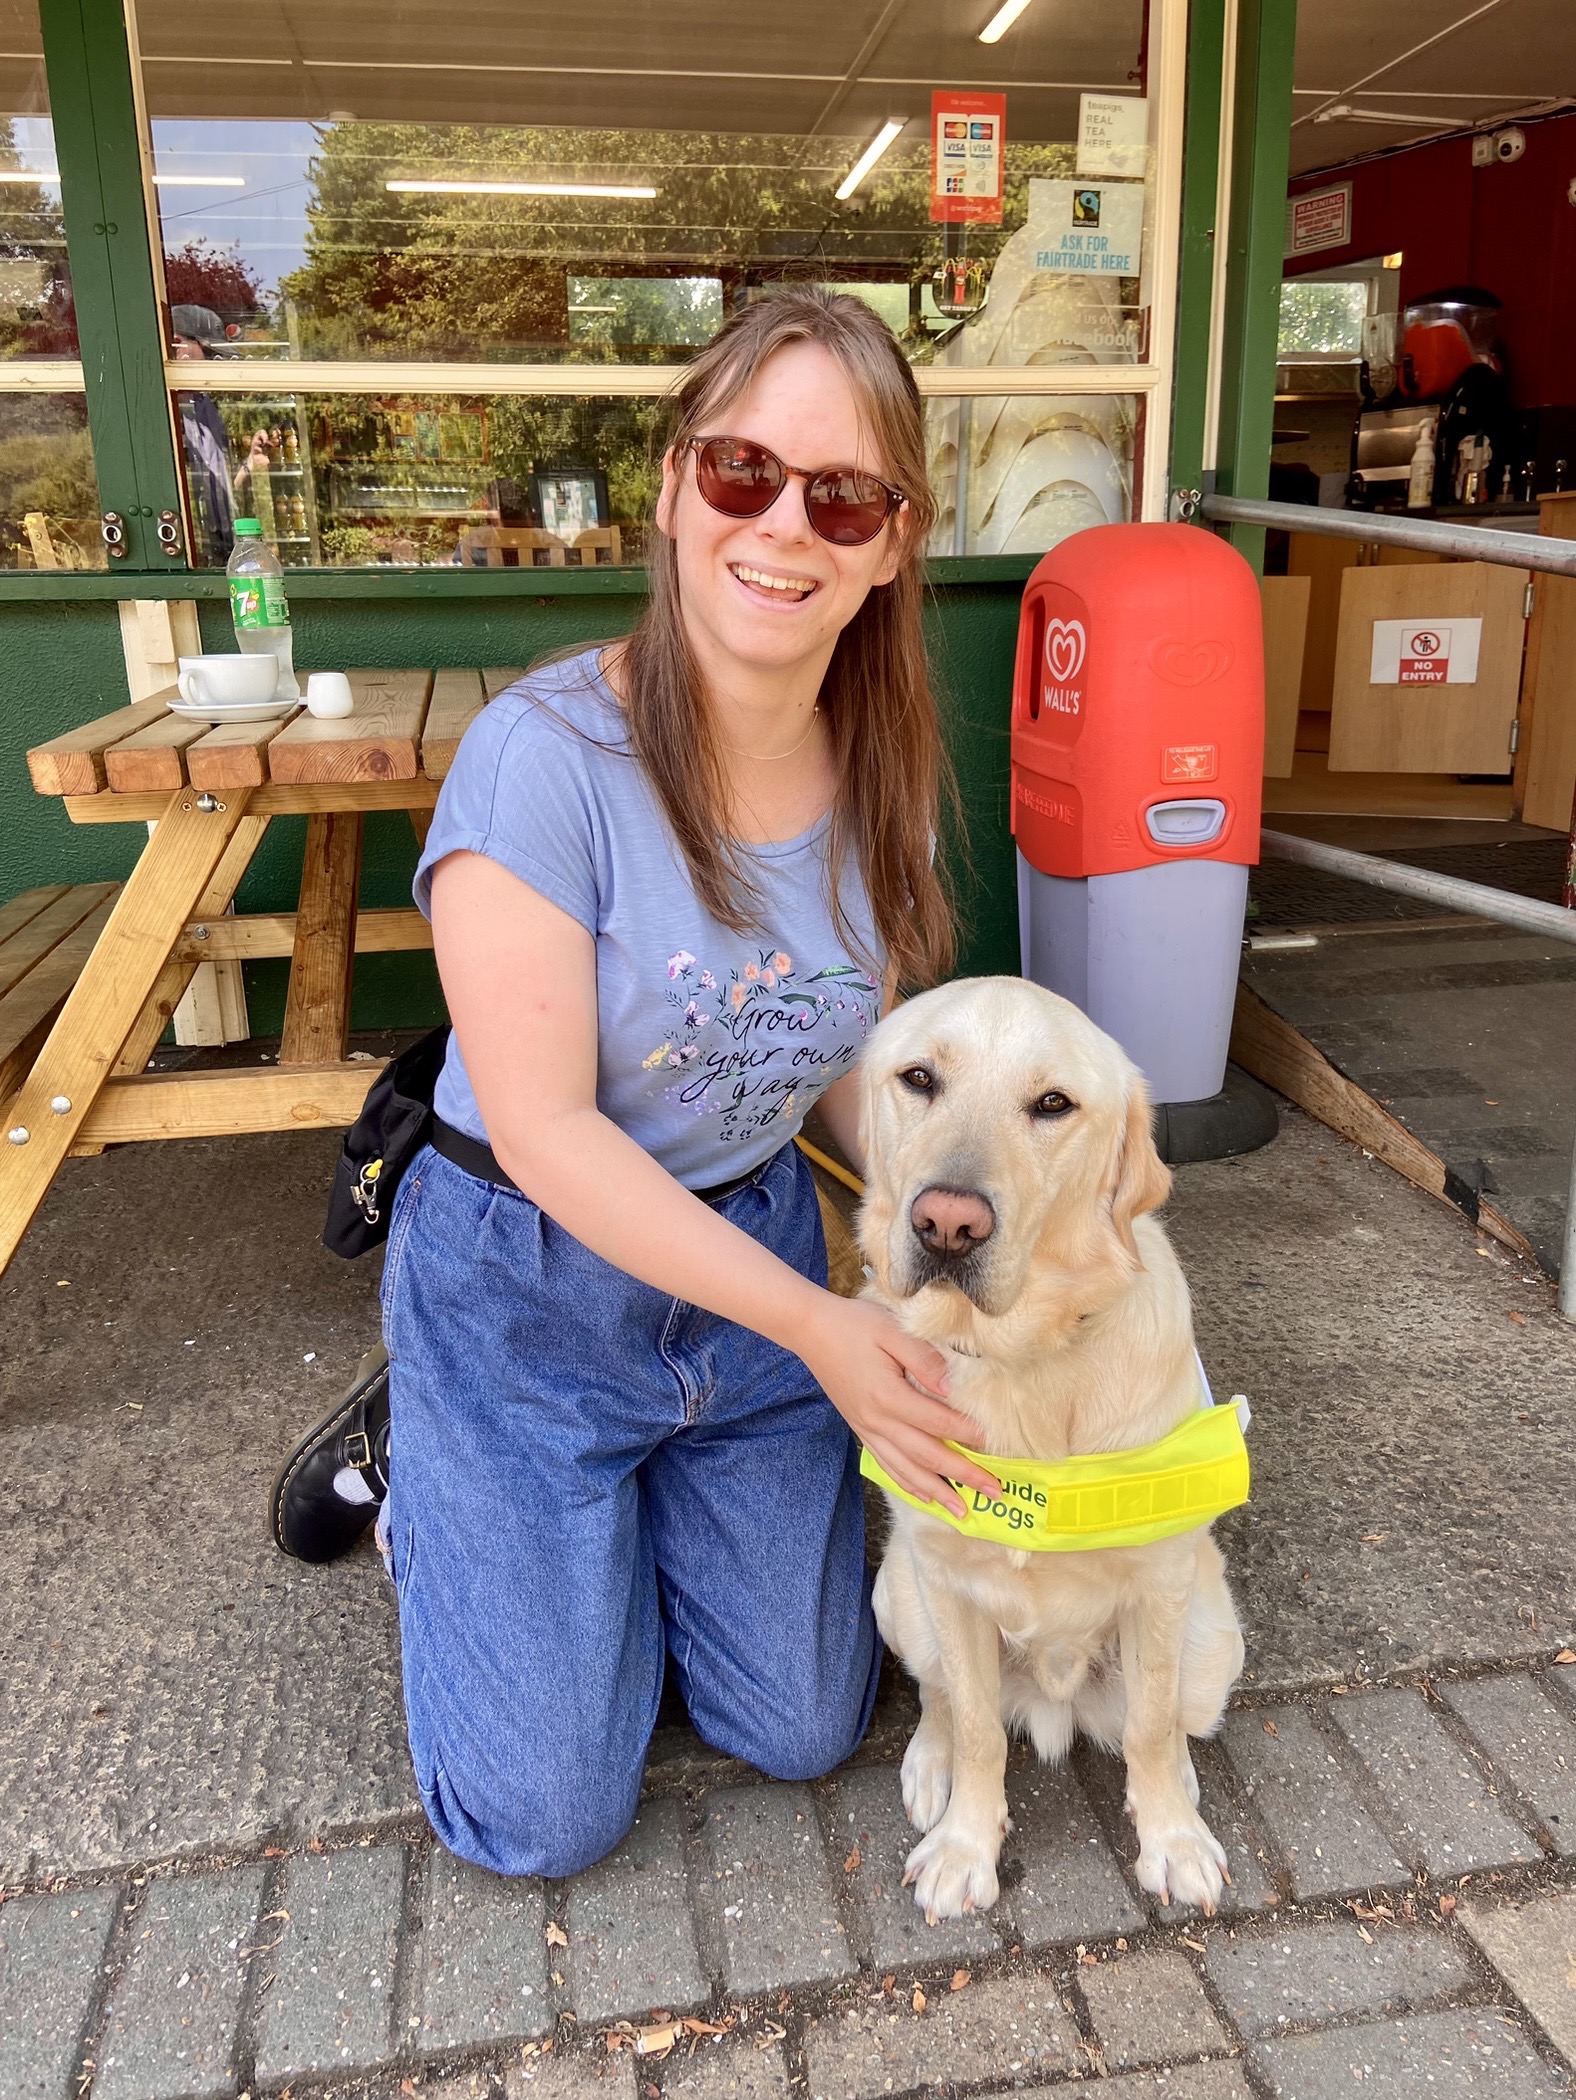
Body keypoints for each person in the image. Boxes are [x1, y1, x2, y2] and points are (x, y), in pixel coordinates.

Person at [272, 287, 1001, 1879]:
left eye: (843, 494)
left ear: (889, 542)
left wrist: (984, 1223)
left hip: (743, 1273)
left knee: (806, 1724)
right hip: (530, 1285)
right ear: (671, 490)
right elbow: (543, 1131)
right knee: (543, 1820)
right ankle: (433, 1465)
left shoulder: (883, 777)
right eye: (742, 470)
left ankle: (600, 1534)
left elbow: (835, 1084)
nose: (784, 524)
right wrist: (823, 1329)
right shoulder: (545, 762)